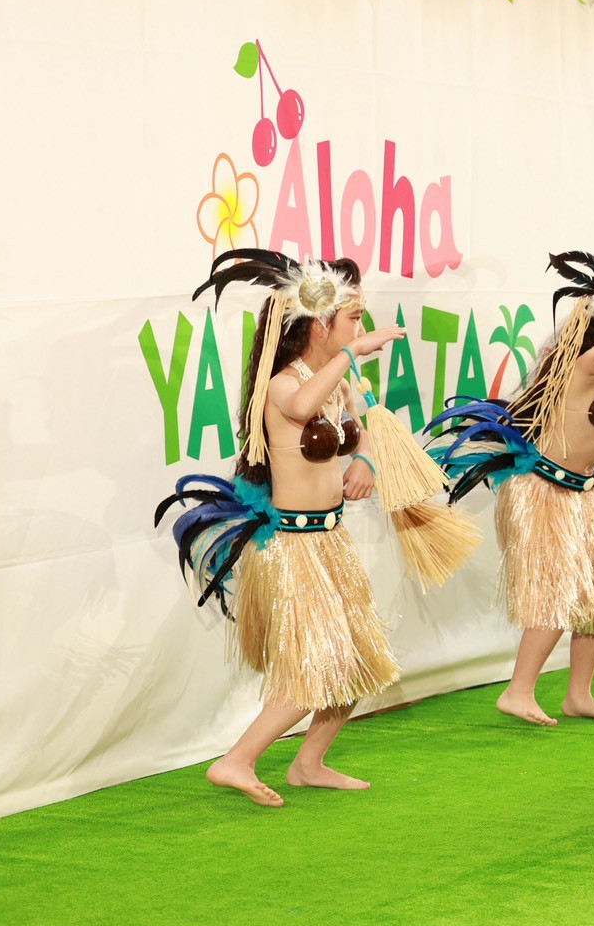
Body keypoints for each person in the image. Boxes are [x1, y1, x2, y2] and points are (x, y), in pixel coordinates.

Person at [158, 250, 409, 807]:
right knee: (320, 667)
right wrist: (351, 355)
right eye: (353, 319)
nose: (361, 329)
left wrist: (364, 459)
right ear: (319, 324)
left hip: (331, 541)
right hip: (293, 548)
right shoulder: (283, 384)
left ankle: (308, 763)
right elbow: (300, 407)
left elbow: (366, 425)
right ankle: (236, 761)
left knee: (356, 660)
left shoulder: (337, 382)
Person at [427, 253, 594, 726]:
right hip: (544, 490)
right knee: (558, 591)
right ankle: (518, 691)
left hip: (585, 491)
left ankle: (578, 694)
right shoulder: (587, 358)